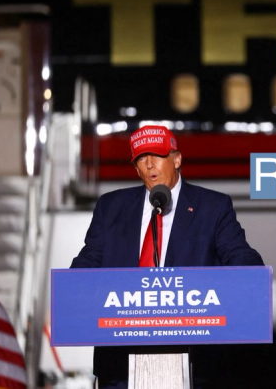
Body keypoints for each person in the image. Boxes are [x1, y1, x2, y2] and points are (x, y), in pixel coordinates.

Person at [71, 125, 264, 388]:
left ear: (177, 159)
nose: (149, 165)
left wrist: (250, 279)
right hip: (120, 368)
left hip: (194, 366)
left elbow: (241, 258)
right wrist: (72, 287)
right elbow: (88, 262)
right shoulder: (111, 207)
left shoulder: (213, 207)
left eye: (157, 155)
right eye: (141, 158)